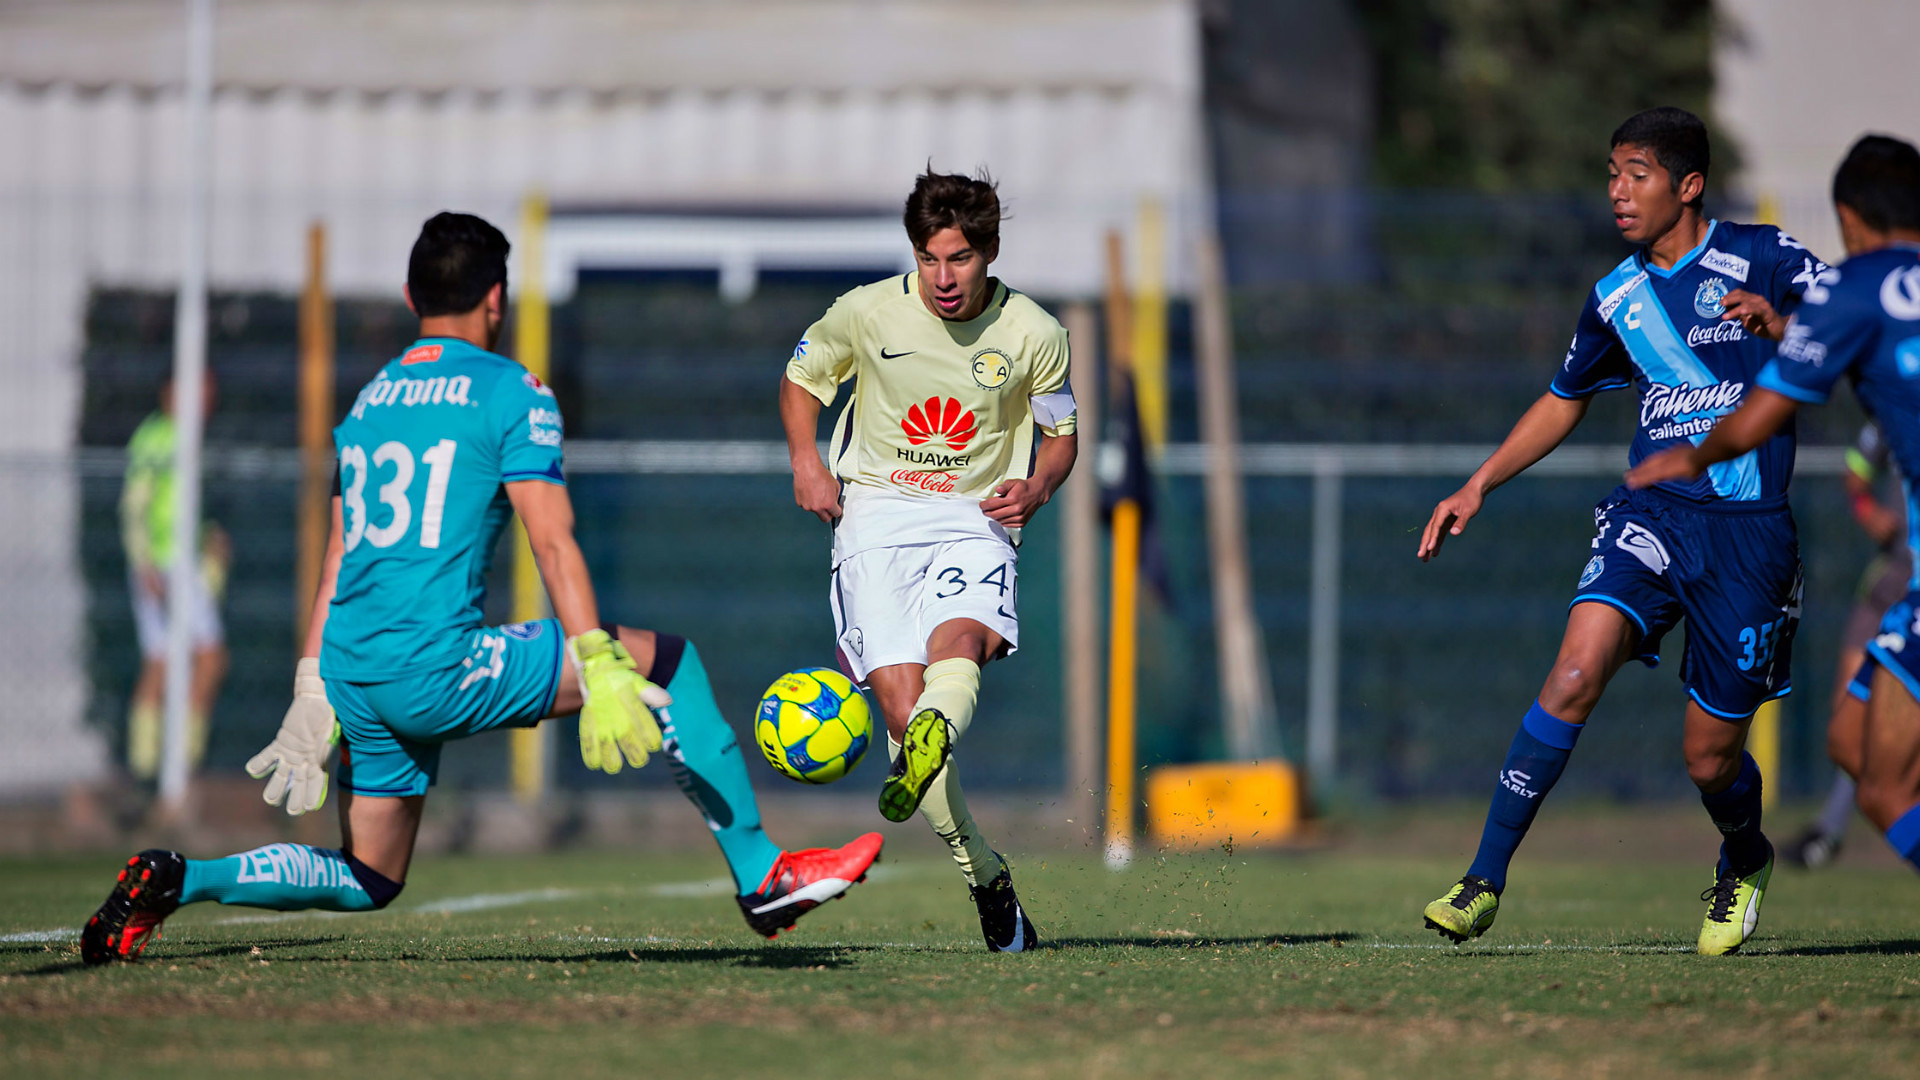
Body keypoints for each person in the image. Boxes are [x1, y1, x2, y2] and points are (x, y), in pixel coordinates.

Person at [82, 212, 881, 964]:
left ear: (410, 299)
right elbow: (552, 538)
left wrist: (310, 682)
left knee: (370, 876)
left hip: (356, 672)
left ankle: (178, 878)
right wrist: (598, 660)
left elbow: (338, 558)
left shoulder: (367, 405)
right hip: (438, 665)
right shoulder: (510, 390)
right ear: (496, 299)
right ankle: (762, 877)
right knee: (668, 662)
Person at [1416, 107, 1827, 955]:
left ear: (1688, 185)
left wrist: (1781, 329)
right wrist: (1479, 483)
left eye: (1636, 174)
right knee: (1573, 670)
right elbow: (1564, 397)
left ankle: (1744, 857)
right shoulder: (1618, 296)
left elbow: (1847, 340)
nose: (1617, 191)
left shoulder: (1770, 256)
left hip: (1750, 538)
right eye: (1611, 173)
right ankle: (1482, 881)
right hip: (1652, 517)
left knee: (1709, 759)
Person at [779, 169, 1077, 952]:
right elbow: (802, 377)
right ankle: (985, 873)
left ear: (990, 252)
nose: (943, 278)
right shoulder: (868, 310)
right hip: (873, 515)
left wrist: (1039, 486)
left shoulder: (1034, 333)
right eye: (929, 258)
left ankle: (937, 730)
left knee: (963, 641)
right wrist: (807, 462)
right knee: (906, 717)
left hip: (975, 516)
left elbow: (1061, 434)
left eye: (959, 259)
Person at [1629, 133, 1920, 881]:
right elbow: (1855, 349)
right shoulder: (1875, 300)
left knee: (1885, 784)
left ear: (1850, 218)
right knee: (1850, 745)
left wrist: (1690, 455)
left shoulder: (1855, 286)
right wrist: (1787, 329)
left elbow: (1762, 413)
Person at [1784, 422, 1908, 868]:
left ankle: (1830, 832)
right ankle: (1832, 830)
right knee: (1847, 731)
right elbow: (1856, 472)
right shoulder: (1889, 401)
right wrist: (1867, 509)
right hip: (1890, 583)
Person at [120, 376, 230, 779]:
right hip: (166, 564)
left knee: (168, 659)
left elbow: (176, 507)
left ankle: (153, 768)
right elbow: (136, 505)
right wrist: (145, 563)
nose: (206, 399)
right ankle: (172, 765)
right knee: (203, 657)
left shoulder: (185, 437)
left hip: (175, 561)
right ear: (169, 391)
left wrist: (208, 536)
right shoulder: (158, 437)